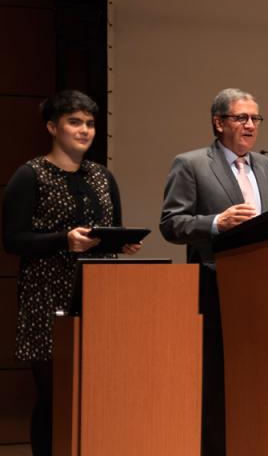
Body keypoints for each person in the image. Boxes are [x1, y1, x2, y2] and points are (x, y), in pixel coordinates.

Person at [2, 90, 141, 456]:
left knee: (97, 392)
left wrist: (121, 243)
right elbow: (13, 240)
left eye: (90, 123)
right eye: (75, 122)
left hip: (99, 293)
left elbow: (111, 229)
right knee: (53, 395)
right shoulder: (30, 175)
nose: (85, 130)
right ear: (52, 127)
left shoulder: (102, 176)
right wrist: (64, 240)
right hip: (47, 297)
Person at [159, 88, 268, 456]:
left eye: (255, 119)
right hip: (215, 285)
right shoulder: (191, 163)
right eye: (241, 118)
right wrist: (216, 222)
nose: (250, 125)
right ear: (219, 123)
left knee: (256, 378)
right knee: (218, 381)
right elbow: (171, 223)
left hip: (265, 286)